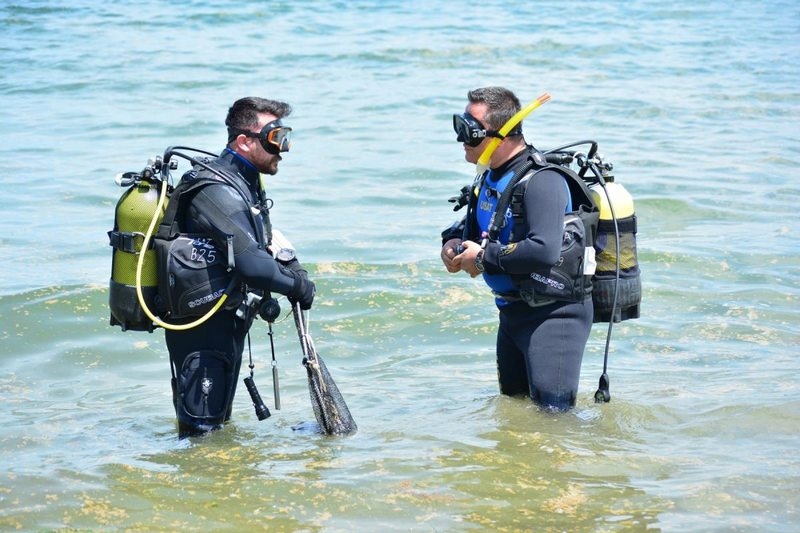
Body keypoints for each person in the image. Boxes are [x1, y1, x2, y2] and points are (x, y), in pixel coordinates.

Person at [165, 96, 315, 437]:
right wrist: (299, 288)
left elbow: (261, 242)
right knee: (201, 432)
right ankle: (200, 482)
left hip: (224, 318)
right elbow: (251, 265)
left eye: (285, 137)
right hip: (201, 329)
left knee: (217, 423)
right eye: (276, 138)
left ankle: (221, 482)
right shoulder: (215, 189)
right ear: (244, 141)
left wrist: (293, 267)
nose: (283, 149)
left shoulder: (244, 183)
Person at [440, 86, 593, 411]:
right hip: (512, 312)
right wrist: (452, 243)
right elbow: (481, 227)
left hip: (553, 316)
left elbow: (543, 250)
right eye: (459, 126)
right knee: (515, 412)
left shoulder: (542, 182)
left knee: (553, 420)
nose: (461, 140)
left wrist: (481, 258)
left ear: (502, 135)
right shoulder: (490, 178)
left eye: (470, 131)